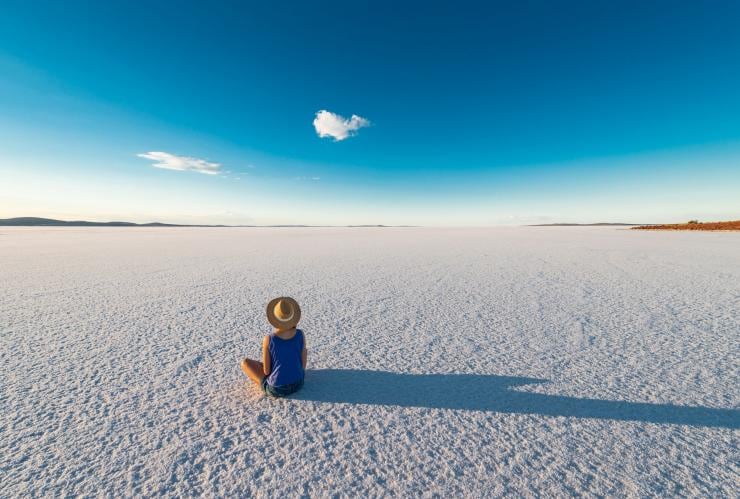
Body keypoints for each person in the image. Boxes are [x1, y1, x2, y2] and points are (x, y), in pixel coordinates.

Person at [240, 297, 307, 397]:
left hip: (277, 389)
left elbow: (266, 371)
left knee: (245, 363)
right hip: (298, 383)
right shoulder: (300, 334)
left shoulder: (269, 339)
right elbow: (303, 366)